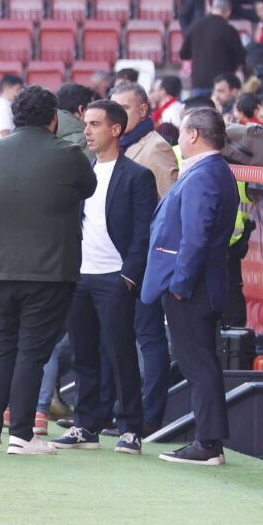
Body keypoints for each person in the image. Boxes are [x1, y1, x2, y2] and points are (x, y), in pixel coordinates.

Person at [0, 84, 93, 455]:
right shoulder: (68, 154)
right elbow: (87, 188)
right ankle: (22, 433)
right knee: (31, 352)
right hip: (48, 268)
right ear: (54, 118)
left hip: (0, 266)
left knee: (2, 349)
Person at [50, 99, 157, 453]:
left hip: (115, 276)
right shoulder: (82, 171)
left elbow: (144, 232)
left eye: (95, 125)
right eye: (86, 124)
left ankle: (130, 427)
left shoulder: (138, 176)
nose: (87, 131)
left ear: (116, 129)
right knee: (83, 353)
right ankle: (86, 425)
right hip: (80, 275)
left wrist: (129, 274)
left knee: (121, 352)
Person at [143, 107, 237, 466]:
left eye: (182, 133)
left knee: (198, 364)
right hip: (199, 284)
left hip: (192, 288)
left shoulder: (204, 174)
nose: (179, 140)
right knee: (200, 362)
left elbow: (195, 237)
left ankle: (208, 444)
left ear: (194, 135)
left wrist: (180, 285)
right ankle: (209, 441)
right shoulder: (211, 171)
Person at [110, 82, 175, 433]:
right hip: (116, 260)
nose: (118, 113)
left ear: (143, 110)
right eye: (113, 106)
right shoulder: (118, 147)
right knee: (123, 336)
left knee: (148, 337)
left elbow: (168, 209)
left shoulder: (156, 148)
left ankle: (149, 416)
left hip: (147, 262)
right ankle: (125, 411)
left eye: (125, 107)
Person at [180, 0, 248, 98]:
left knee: (200, 113)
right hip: (222, 87)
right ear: (228, 12)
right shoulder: (229, 30)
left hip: (199, 83)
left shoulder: (195, 26)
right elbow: (241, 58)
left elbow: (184, 54)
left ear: (212, 8)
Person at [0, 73, 22, 141]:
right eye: (17, 90)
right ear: (7, 88)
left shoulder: (5, 105)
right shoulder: (2, 106)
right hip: (5, 149)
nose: (19, 93)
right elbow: (5, 134)